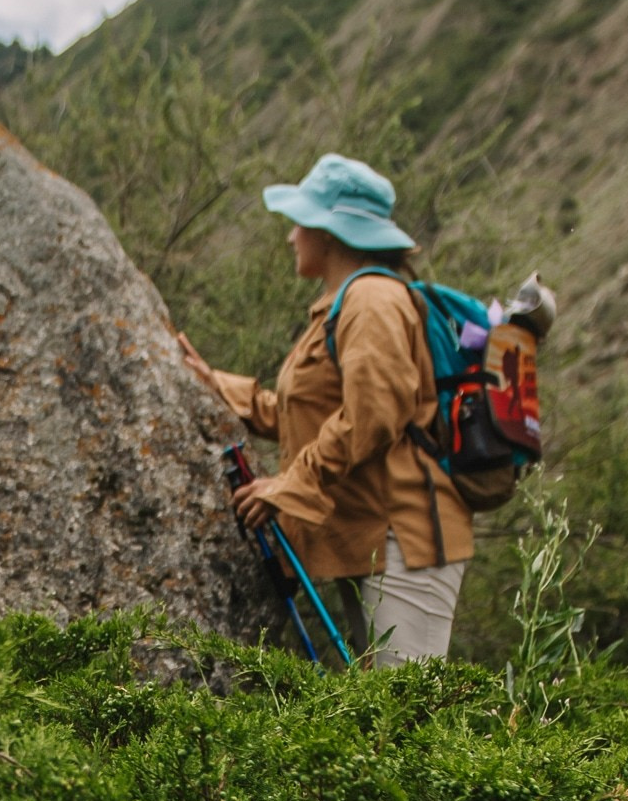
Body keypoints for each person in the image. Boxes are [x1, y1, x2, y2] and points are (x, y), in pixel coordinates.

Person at [173, 151, 471, 667]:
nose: (291, 236)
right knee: (384, 715)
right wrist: (214, 384)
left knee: (406, 718)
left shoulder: (372, 301)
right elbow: (302, 414)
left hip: (405, 537)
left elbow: (373, 416)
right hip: (370, 538)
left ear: (329, 232)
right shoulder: (343, 304)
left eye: (299, 223)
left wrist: (289, 486)